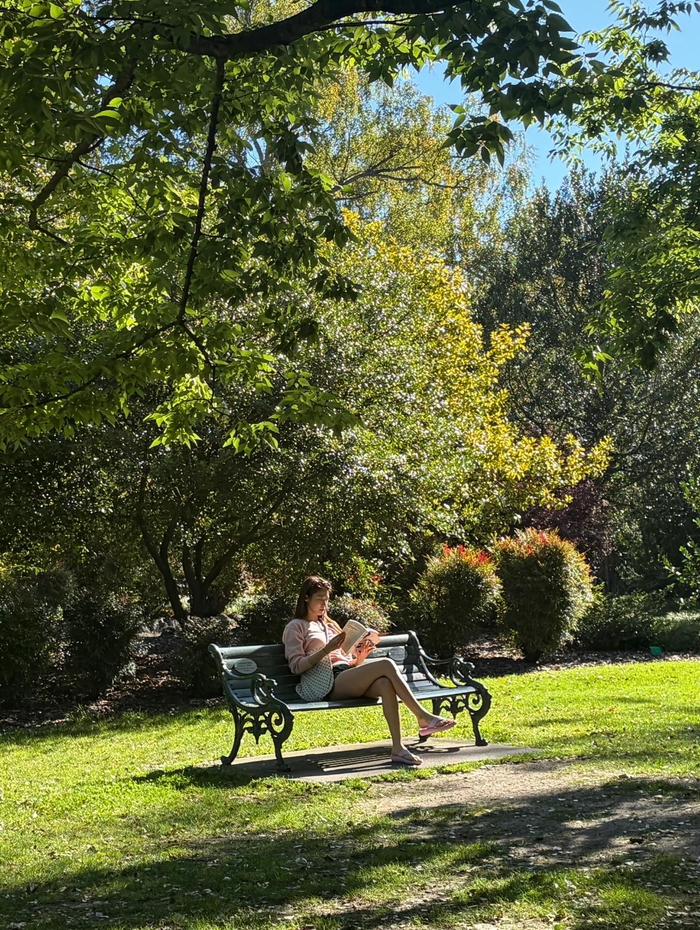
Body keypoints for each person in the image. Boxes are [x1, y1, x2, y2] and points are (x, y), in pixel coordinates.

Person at [282, 575, 456, 766]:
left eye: (327, 599)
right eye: (320, 599)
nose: (324, 603)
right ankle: (422, 716)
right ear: (306, 598)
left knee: (385, 684)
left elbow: (345, 661)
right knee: (386, 664)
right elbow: (296, 667)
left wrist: (360, 657)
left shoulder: (330, 625)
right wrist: (326, 649)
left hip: (344, 675)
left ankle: (398, 748)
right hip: (325, 683)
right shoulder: (296, 627)